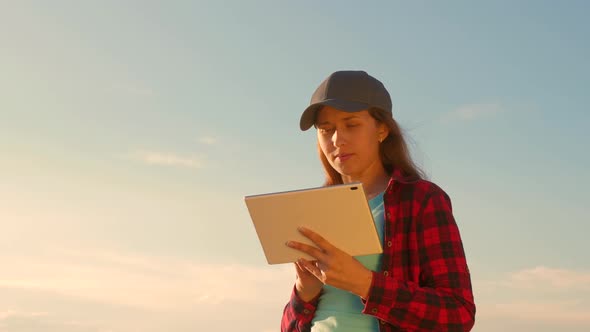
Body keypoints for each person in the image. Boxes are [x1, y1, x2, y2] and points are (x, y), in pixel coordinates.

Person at [280, 71, 476, 332]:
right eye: (326, 130)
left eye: (351, 124)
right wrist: (304, 291)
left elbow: (457, 315)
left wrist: (366, 284)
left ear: (382, 129)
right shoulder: (316, 208)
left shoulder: (423, 200)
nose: (337, 139)